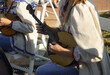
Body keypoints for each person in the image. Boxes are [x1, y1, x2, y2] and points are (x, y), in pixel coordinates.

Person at [35, 0, 110, 75]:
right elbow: (71, 31)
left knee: (41, 72)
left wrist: (62, 51)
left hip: (87, 67)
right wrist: (51, 30)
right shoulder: (66, 3)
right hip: (72, 60)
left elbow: (94, 53)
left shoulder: (79, 9)